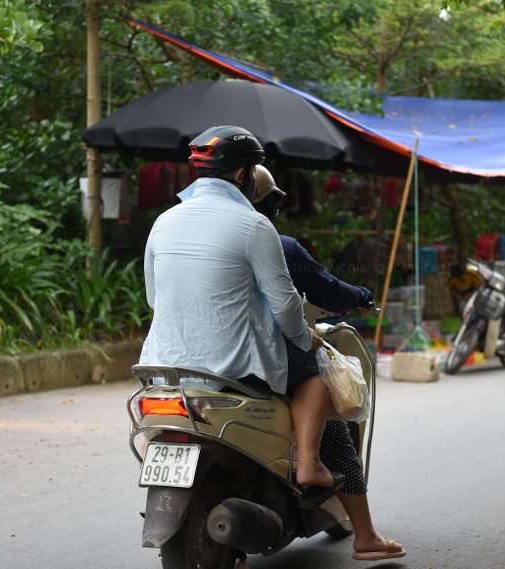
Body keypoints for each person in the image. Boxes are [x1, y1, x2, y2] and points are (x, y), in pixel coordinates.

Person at [139, 125, 338, 503]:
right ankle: (310, 462)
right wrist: (303, 338)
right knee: (314, 373)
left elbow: (154, 298)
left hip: (164, 366)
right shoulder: (254, 224)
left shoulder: (163, 221)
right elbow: (284, 305)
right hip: (235, 367)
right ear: (244, 173)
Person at [252, 165, 406, 561]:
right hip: (263, 360)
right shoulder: (275, 244)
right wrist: (359, 295)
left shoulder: (193, 238)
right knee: (332, 418)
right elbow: (320, 293)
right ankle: (364, 533)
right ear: (270, 203)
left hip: (200, 363)